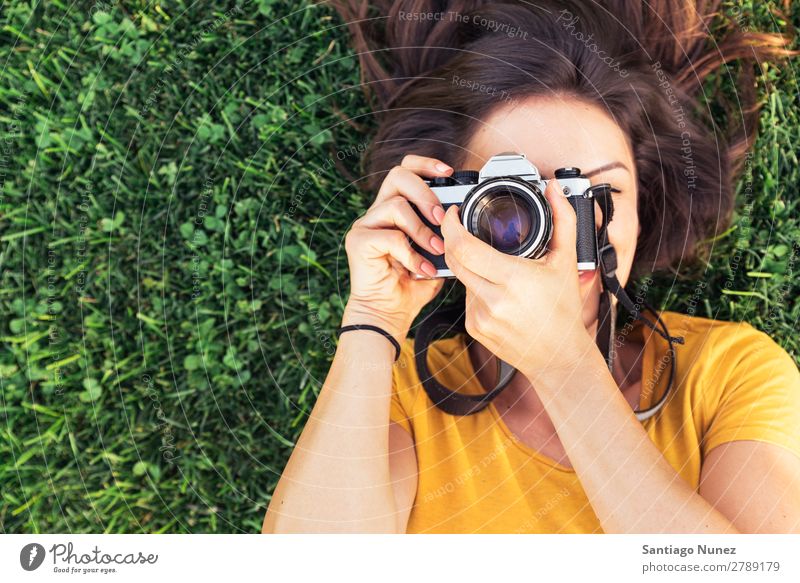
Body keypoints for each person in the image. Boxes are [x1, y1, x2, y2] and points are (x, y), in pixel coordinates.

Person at [263, 0, 800, 533]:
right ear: (450, 214)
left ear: (642, 211)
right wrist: (372, 320)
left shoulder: (727, 374)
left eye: (595, 194)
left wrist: (564, 365)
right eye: (515, 200)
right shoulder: (395, 392)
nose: (559, 231)